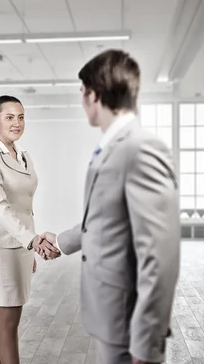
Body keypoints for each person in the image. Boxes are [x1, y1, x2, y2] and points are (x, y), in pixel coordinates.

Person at [36, 49, 181, 364]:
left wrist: (146, 344)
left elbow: (160, 256)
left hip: (130, 328)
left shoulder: (140, 149)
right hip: (111, 320)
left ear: (94, 95)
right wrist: (60, 242)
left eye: (82, 93)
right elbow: (104, 220)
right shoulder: (112, 148)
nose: (81, 101)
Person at [0, 95, 59, 364]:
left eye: (21, 117)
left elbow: (24, 206)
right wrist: (32, 241)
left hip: (22, 245)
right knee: (9, 318)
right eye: (9, 117)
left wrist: (29, 248)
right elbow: (0, 207)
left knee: (8, 318)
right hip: (2, 245)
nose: (16, 123)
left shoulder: (24, 155)